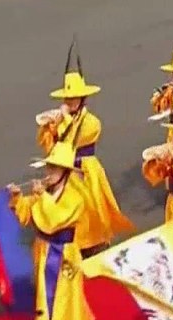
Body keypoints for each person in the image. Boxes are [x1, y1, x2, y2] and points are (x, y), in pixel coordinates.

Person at [39, 45, 132, 257]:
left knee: (90, 218)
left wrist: (62, 119)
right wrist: (50, 126)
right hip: (64, 172)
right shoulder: (61, 120)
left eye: (74, 98)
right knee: (66, 219)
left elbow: (71, 139)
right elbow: (50, 147)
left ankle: (94, 251)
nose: (69, 101)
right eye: (67, 98)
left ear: (83, 98)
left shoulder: (92, 123)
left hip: (85, 174)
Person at [9, 141, 94, 320]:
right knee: (47, 301)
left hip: (63, 255)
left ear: (66, 171)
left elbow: (55, 220)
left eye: (55, 168)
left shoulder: (75, 197)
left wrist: (41, 197)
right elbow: (28, 215)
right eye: (49, 168)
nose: (50, 173)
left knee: (65, 302)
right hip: (44, 252)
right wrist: (18, 199)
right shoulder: (46, 192)